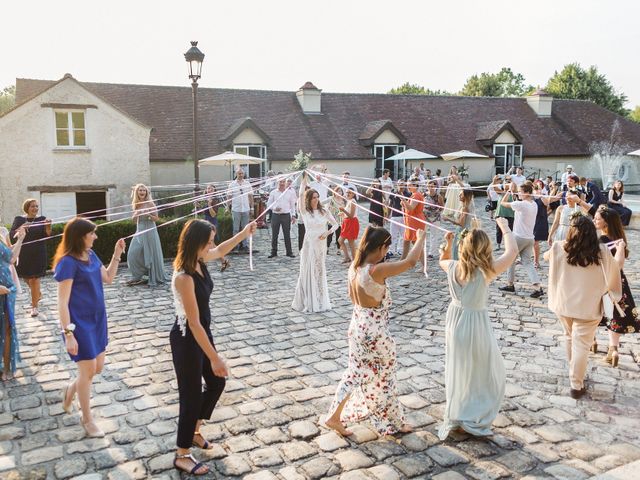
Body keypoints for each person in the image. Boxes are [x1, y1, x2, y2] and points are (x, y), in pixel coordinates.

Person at [170, 218, 256, 475]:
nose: (212, 246)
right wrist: (215, 358)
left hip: (202, 333)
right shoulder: (183, 277)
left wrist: (243, 233)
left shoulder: (200, 260)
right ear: (195, 243)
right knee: (191, 395)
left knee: (217, 383)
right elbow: (193, 323)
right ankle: (182, 454)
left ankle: (194, 431)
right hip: (187, 338)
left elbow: (221, 250)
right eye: (208, 242)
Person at [325, 226, 426, 437]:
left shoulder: (354, 268)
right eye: (387, 249)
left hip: (356, 326)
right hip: (376, 331)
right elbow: (410, 262)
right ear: (381, 248)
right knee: (386, 377)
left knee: (353, 373)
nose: (386, 254)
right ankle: (396, 423)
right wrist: (421, 238)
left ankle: (334, 416)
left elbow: (352, 299)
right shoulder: (375, 270)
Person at [437, 218, 517, 439]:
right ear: (485, 249)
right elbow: (512, 252)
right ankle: (471, 416)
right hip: (476, 324)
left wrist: (448, 243)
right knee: (485, 371)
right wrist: (505, 227)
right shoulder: (486, 271)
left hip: (455, 320)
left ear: (462, 247)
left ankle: (459, 413)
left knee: (460, 370)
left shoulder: (452, 267)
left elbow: (443, 260)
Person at [55, 218, 126, 437]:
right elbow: (62, 303)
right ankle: (87, 420)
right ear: (80, 236)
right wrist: (68, 335)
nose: (95, 237)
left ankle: (70, 389)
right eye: (92, 233)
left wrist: (117, 254)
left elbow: (108, 278)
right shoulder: (67, 262)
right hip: (79, 323)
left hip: (98, 319)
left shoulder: (91, 255)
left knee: (97, 368)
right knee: (87, 371)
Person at [544, 214, 623, 399]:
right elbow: (615, 269)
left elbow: (547, 257)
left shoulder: (560, 247)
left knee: (570, 337)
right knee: (582, 344)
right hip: (589, 306)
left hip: (564, 304)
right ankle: (576, 383)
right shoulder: (602, 251)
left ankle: (574, 374)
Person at [594, 207, 638, 366]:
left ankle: (592, 341)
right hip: (619, 282)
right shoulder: (618, 238)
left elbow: (614, 264)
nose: (594, 221)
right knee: (616, 315)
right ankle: (613, 349)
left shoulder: (602, 241)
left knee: (596, 312)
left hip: (603, 280)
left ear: (606, 222)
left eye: (597, 219)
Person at [292, 173, 340, 313]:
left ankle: (319, 300)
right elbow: (301, 195)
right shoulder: (305, 212)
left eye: (317, 197)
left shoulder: (323, 211)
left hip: (321, 245)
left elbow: (336, 224)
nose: (316, 199)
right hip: (309, 244)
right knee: (308, 270)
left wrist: (327, 233)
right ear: (309, 199)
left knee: (319, 271)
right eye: (313, 198)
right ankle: (307, 301)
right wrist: (304, 179)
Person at [497, 182, 544, 298]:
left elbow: (502, 204)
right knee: (527, 263)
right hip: (529, 238)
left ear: (527, 193)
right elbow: (517, 205)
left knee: (510, 260)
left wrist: (508, 192)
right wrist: (514, 194)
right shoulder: (534, 204)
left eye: (520, 191)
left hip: (519, 237)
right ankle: (537, 287)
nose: (518, 193)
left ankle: (510, 284)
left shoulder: (521, 204)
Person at [10, 199, 52, 317]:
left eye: (37, 206)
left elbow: (47, 236)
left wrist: (48, 226)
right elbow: (12, 235)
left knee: (35, 279)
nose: (35, 208)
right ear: (27, 207)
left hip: (38, 253)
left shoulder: (42, 219)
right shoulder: (19, 219)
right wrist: (22, 227)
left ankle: (34, 307)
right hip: (23, 254)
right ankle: (37, 293)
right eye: (32, 206)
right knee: (26, 278)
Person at [126, 184, 167, 286]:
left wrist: (148, 214)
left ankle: (152, 275)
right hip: (139, 230)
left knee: (151, 253)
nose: (142, 192)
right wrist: (136, 214)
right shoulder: (136, 204)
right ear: (137, 192)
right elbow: (135, 221)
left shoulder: (150, 204)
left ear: (146, 192)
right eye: (140, 190)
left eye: (144, 190)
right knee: (132, 254)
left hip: (150, 230)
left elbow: (156, 219)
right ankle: (137, 276)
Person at [0, 225, 25, 381]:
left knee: (8, 329)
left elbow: (11, 259)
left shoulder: (1, 233)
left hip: (8, 290)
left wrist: (21, 239)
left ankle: (7, 368)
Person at [202, 184, 229, 272]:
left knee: (210, 244)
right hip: (205, 222)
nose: (209, 190)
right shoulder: (206, 199)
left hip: (211, 223)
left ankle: (205, 264)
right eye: (208, 188)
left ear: (214, 190)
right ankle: (223, 261)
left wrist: (209, 204)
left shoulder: (215, 200)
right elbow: (203, 211)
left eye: (211, 188)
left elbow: (213, 214)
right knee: (210, 245)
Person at [267, 178, 297, 258]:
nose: (282, 183)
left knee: (287, 234)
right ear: (278, 182)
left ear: (286, 183)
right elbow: (269, 204)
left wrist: (293, 215)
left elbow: (292, 205)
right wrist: (274, 208)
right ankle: (274, 252)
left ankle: (289, 252)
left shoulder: (290, 193)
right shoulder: (273, 192)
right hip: (276, 215)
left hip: (286, 215)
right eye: (281, 181)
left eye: (284, 182)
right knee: (274, 234)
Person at [227, 168, 254, 252]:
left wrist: (252, 208)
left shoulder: (247, 183)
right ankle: (235, 245)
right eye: (239, 173)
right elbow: (229, 197)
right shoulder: (232, 184)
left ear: (244, 174)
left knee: (245, 228)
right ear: (236, 174)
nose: (241, 175)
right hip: (236, 209)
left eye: (242, 173)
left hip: (245, 208)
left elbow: (250, 196)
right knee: (235, 228)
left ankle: (244, 245)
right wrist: (227, 207)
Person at [443, 189, 474, 261]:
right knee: (462, 247)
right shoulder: (466, 206)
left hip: (463, 231)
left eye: (461, 194)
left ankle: (457, 262)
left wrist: (448, 219)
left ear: (465, 196)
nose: (459, 196)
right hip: (466, 229)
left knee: (456, 247)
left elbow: (461, 223)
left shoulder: (465, 208)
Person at [401, 180, 426, 262]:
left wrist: (404, 200)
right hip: (410, 220)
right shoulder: (413, 195)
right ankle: (402, 260)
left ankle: (424, 264)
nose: (408, 187)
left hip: (416, 220)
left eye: (410, 185)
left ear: (415, 185)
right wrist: (404, 203)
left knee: (416, 242)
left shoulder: (416, 195)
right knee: (406, 240)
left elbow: (411, 208)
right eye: (407, 185)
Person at [532, 182, 551, 269]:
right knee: (532, 242)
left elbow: (547, 203)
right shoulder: (531, 198)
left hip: (540, 221)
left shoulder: (542, 197)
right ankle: (531, 260)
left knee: (535, 241)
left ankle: (536, 261)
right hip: (532, 220)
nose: (536, 190)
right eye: (535, 188)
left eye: (538, 188)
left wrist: (541, 194)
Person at [424, 180, 444, 259]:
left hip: (435, 218)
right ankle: (422, 250)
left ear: (435, 187)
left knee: (434, 235)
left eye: (432, 186)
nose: (431, 188)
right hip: (425, 217)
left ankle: (431, 253)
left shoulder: (438, 196)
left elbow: (442, 206)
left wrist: (437, 212)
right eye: (429, 186)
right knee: (423, 234)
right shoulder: (424, 195)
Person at [494, 177, 515, 251]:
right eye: (506, 183)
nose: (507, 184)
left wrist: (511, 184)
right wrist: (494, 181)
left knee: (510, 231)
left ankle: (509, 245)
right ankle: (498, 244)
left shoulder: (513, 194)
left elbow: (513, 186)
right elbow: (495, 188)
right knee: (498, 230)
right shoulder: (502, 192)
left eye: (508, 183)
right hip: (500, 214)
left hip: (510, 215)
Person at [339, 188, 359, 263]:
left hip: (352, 223)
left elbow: (351, 216)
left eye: (350, 193)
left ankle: (354, 261)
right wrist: (343, 214)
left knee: (351, 243)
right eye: (347, 192)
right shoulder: (349, 201)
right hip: (347, 222)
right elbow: (348, 214)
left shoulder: (353, 202)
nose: (348, 194)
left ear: (353, 194)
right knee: (340, 240)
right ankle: (347, 257)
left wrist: (343, 210)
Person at [388, 181, 408, 257]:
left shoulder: (408, 194)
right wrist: (387, 215)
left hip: (403, 216)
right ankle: (391, 250)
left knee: (403, 235)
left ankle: (400, 250)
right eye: (400, 184)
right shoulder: (393, 193)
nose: (401, 186)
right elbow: (390, 204)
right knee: (393, 234)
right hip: (394, 216)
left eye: (402, 184)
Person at [328, 186, 345, 255]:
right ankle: (327, 248)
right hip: (331, 220)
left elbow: (345, 209)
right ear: (334, 192)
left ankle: (338, 249)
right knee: (329, 235)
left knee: (338, 236)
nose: (339, 192)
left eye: (340, 191)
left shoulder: (343, 200)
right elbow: (322, 203)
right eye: (338, 191)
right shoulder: (331, 199)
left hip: (340, 221)